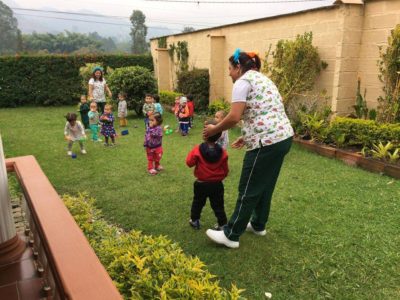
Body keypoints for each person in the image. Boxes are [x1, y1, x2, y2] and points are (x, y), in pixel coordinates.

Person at [203, 49, 294, 249]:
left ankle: (231, 234)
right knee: (265, 184)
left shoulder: (243, 82)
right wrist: (246, 137)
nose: (228, 73)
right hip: (283, 138)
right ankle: (258, 224)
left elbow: (235, 117)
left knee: (249, 187)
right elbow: (263, 111)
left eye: (229, 69)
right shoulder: (263, 80)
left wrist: (213, 130)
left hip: (267, 142)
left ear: (238, 67)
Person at [186, 120, 229, 230]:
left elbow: (189, 163)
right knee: (218, 205)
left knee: (198, 203)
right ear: (219, 136)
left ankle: (195, 221)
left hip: (201, 184)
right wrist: (218, 177)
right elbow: (225, 170)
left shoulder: (197, 150)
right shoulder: (223, 152)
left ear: (204, 135)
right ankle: (223, 224)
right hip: (217, 185)